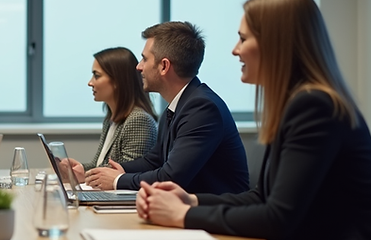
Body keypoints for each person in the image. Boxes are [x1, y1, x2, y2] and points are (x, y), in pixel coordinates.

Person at [137, 0, 371, 240]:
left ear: (276, 43)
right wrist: (192, 201)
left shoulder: (314, 105)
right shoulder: (296, 102)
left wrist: (182, 216)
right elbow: (263, 197)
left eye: (244, 39)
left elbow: (278, 218)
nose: (235, 50)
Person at [81, 22, 249, 194]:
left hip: (215, 214)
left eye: (145, 59)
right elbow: (154, 160)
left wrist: (117, 180)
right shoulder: (179, 105)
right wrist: (118, 170)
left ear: (164, 66)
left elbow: (171, 176)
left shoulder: (202, 108)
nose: (138, 67)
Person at [62, 47, 158, 173]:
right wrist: (77, 169)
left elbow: (124, 173)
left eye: (97, 76)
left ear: (117, 81)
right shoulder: (111, 119)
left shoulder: (139, 120)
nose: (90, 83)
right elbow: (98, 165)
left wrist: (85, 176)